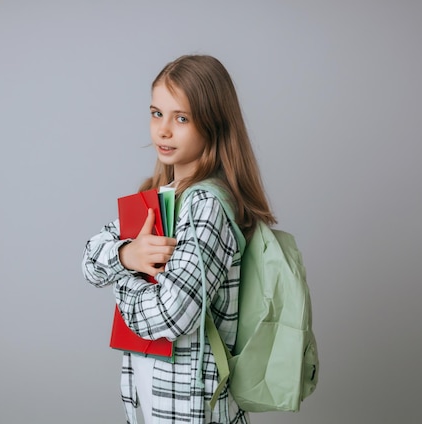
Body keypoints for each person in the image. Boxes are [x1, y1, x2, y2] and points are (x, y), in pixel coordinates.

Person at [82, 54, 276, 424]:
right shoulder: (161, 195)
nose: (163, 130)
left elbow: (170, 317)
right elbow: (89, 260)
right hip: (159, 405)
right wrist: (127, 255)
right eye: (157, 113)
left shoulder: (207, 205)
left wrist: (122, 274)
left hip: (194, 413)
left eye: (181, 118)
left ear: (214, 124)